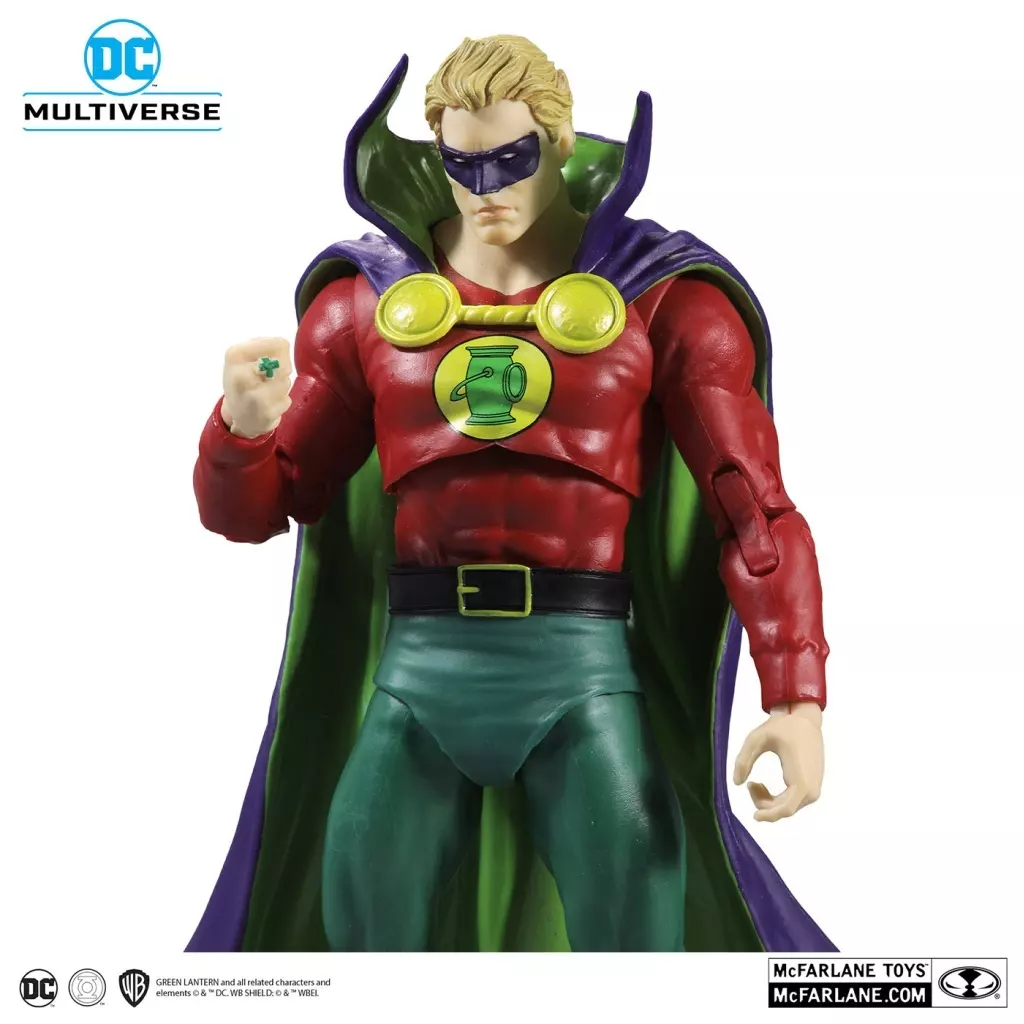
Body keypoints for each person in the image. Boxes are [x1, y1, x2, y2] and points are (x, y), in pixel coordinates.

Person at [188, 35, 834, 953]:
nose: (485, 187)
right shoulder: (365, 303)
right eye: (461, 164)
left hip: (581, 671)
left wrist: (796, 697)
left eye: (511, 159)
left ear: (561, 142)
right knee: (359, 924)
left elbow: (753, 511)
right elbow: (261, 508)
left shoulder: (663, 298)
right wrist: (242, 430)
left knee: (642, 933)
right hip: (419, 672)